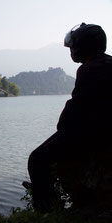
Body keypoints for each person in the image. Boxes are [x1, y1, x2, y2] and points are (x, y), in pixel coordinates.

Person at [27, 23, 112, 213]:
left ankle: (48, 211)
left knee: (37, 159)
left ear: (83, 47)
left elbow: (75, 110)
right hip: (104, 130)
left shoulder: (90, 69)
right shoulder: (108, 64)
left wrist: (63, 126)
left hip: (93, 133)